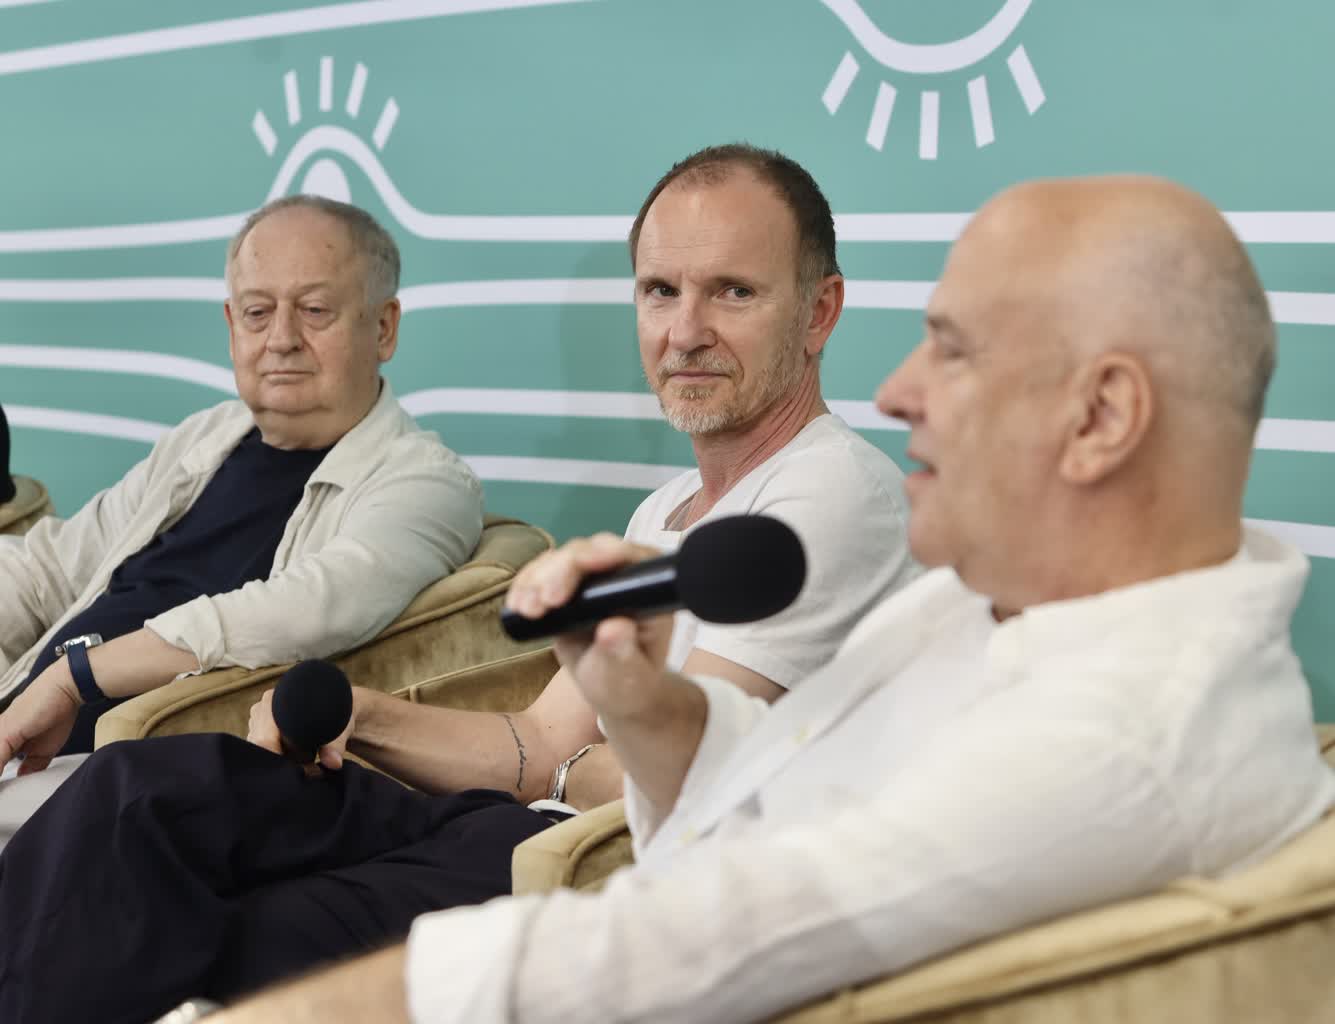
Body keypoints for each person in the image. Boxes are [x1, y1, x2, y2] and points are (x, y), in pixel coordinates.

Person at [204, 174, 1335, 1024]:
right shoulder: (1015, 605)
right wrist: (641, 699)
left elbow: (684, 942)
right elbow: (763, 797)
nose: (898, 391)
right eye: (660, 290)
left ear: (1101, 418)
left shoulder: (1114, 739)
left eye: (952, 352)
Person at [0, 145, 917, 1023]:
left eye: (734, 292)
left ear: (819, 311)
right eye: (660, 291)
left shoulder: (826, 493)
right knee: (142, 790)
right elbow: (540, 741)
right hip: (502, 822)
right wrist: (364, 717)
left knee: (228, 935)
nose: (685, 331)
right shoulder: (666, 508)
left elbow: (673, 778)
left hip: (592, 869)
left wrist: (564, 766)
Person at [0, 196, 483, 816]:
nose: (281, 339)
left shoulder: (426, 481)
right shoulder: (206, 437)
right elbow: (50, 569)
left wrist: (77, 676)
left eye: (314, 311)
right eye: (257, 313)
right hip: (22, 729)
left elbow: (311, 607)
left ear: (383, 327)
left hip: (125, 780)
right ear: (232, 325)